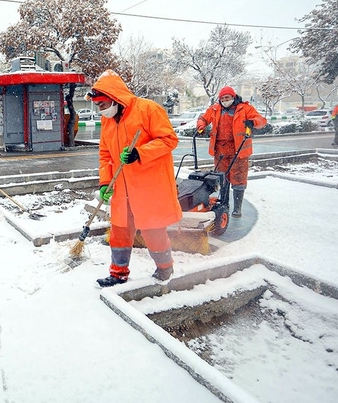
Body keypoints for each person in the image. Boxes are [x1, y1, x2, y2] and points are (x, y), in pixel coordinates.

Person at [89, 70, 183, 287]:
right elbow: (105, 155)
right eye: (98, 106)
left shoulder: (148, 109)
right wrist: (104, 182)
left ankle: (165, 268)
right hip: (121, 188)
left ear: (114, 98)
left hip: (148, 186)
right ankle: (118, 273)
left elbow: (169, 139)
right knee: (119, 231)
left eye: (103, 104)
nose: (101, 110)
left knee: (153, 231)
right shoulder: (108, 121)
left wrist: (140, 153)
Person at [196, 86, 267, 218]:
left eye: (227, 97)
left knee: (238, 178)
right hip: (220, 150)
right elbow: (203, 118)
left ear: (233, 97)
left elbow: (261, 120)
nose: (224, 100)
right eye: (222, 98)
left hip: (238, 150)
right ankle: (224, 204)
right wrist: (201, 126)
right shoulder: (215, 109)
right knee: (222, 177)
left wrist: (253, 122)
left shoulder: (244, 108)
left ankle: (237, 208)